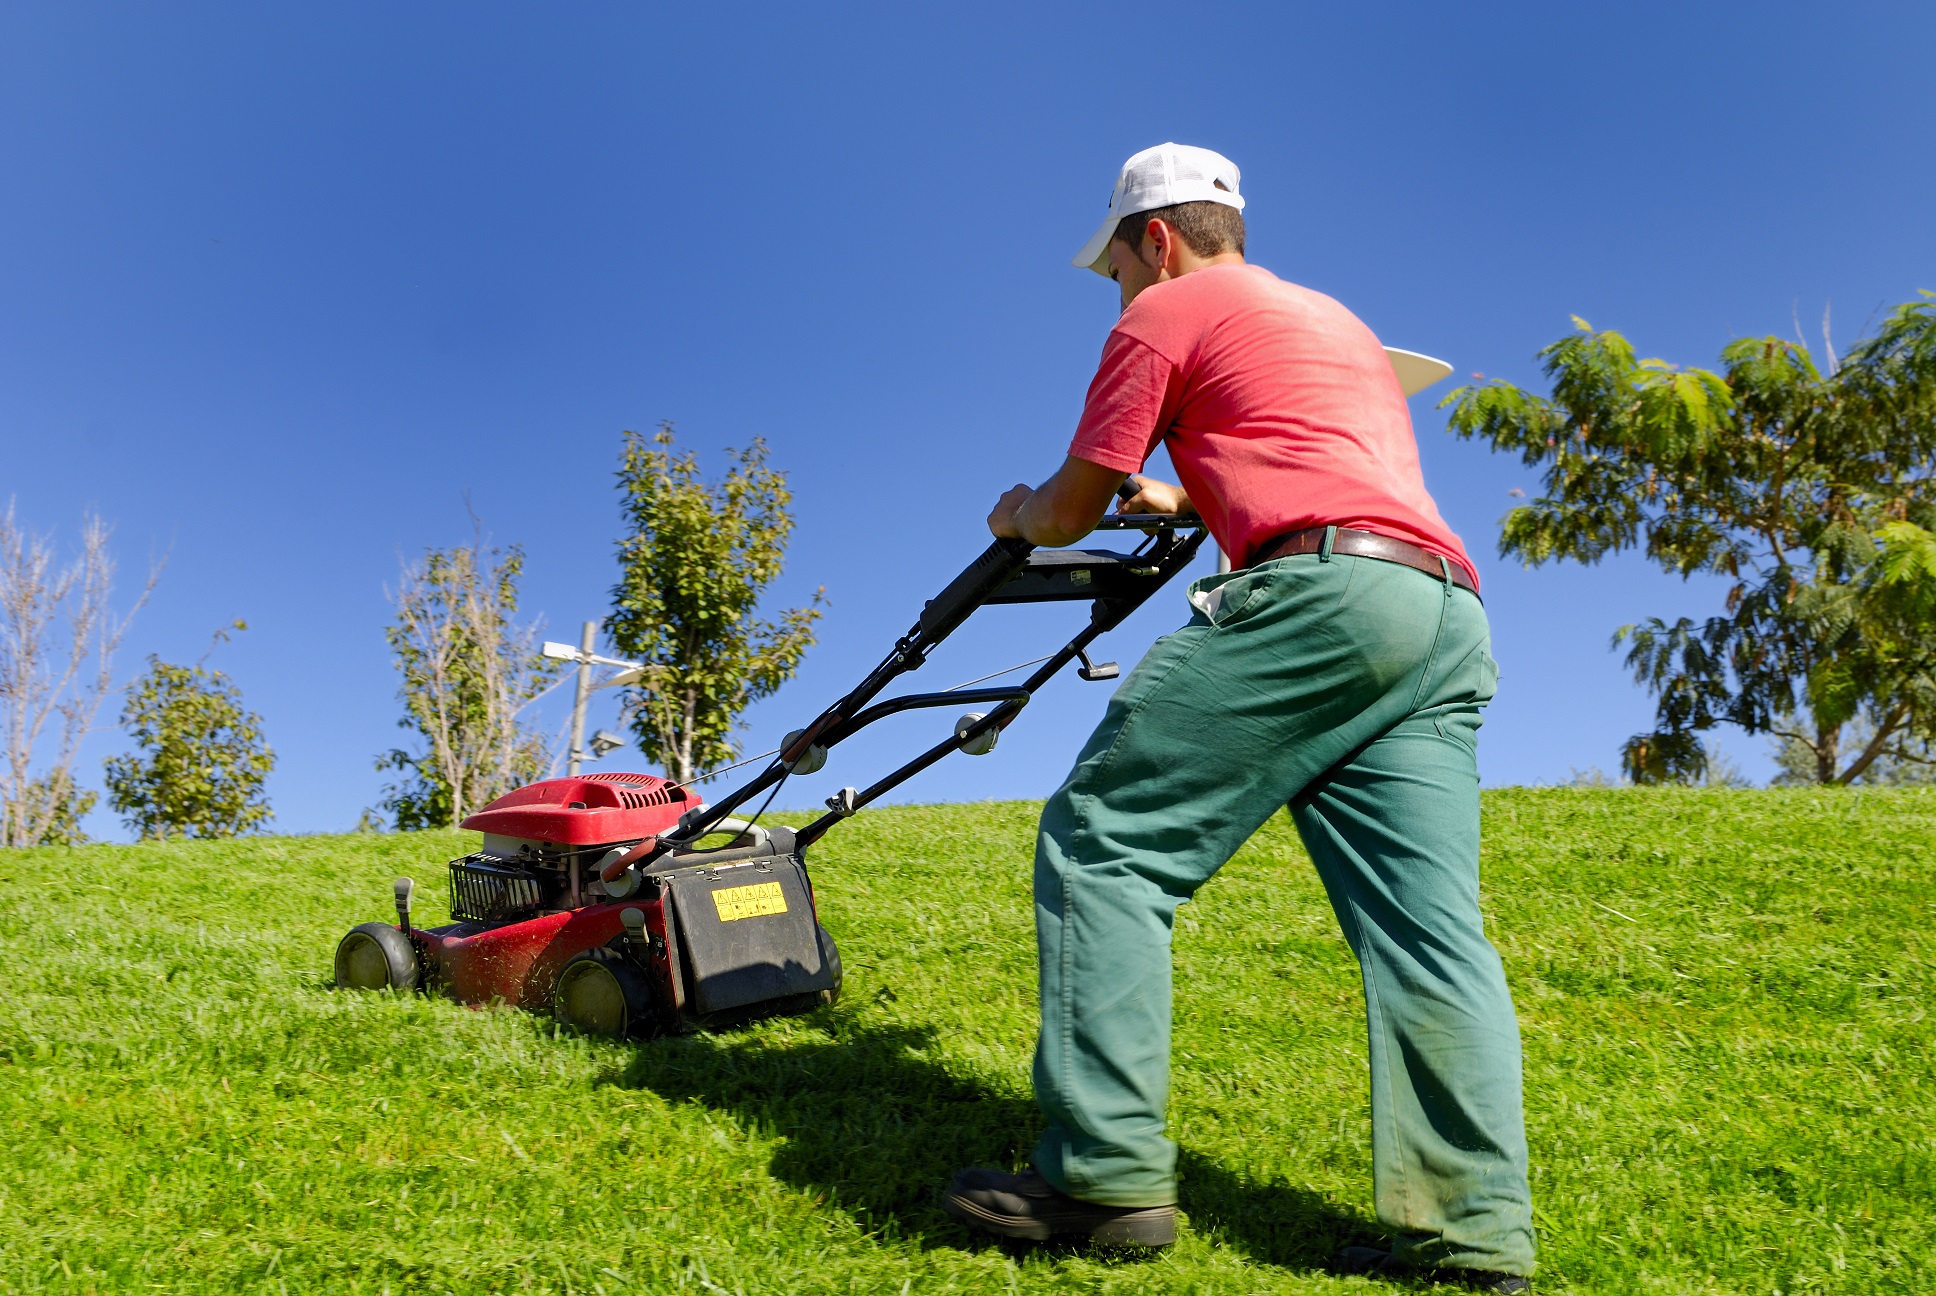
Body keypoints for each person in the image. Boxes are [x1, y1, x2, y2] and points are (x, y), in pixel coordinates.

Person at [941, 143, 1536, 1292]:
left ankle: (1102, 1175)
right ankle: (1472, 1239)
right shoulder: (1331, 323)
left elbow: (1068, 505)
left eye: (1115, 265)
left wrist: (1024, 512)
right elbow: (1302, 451)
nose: (1117, 287)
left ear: (1151, 239)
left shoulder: (1161, 312)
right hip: (1438, 611)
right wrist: (1178, 490)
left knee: (1105, 845)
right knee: (1429, 936)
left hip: (1319, 600)